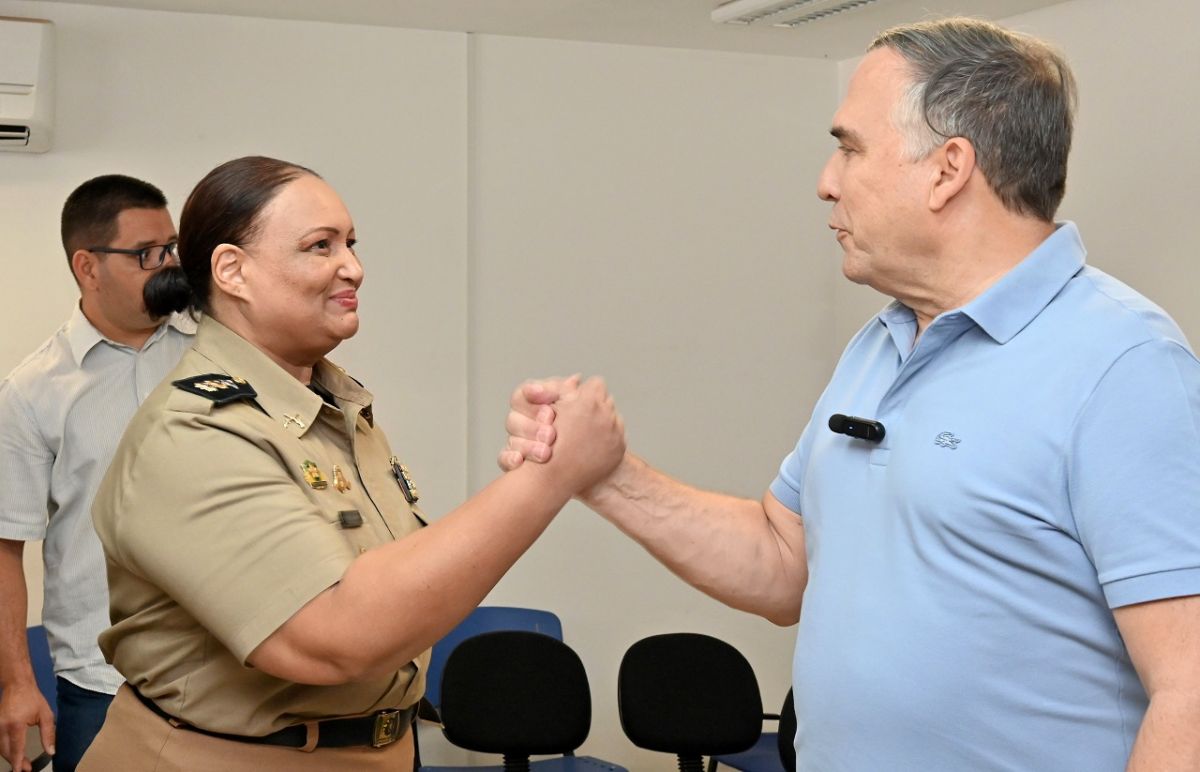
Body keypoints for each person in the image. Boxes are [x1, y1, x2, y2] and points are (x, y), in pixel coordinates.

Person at [503, 18, 1200, 772]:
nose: (826, 181)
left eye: (851, 147)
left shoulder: (1123, 363)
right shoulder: (880, 343)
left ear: (948, 169)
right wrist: (607, 476)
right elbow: (782, 562)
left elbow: (1190, 687)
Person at [77, 155, 624, 771]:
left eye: (351, 243)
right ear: (232, 270)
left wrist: (538, 463)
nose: (354, 268)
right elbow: (333, 638)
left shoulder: (334, 407)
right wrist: (546, 479)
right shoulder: (194, 433)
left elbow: (399, 588)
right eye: (320, 246)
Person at [0, 175, 194, 772]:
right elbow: (6, 547)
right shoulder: (31, 393)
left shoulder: (219, 349)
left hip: (229, 681)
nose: (167, 269)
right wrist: (16, 685)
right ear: (87, 266)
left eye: (171, 249)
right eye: (145, 255)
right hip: (102, 685)